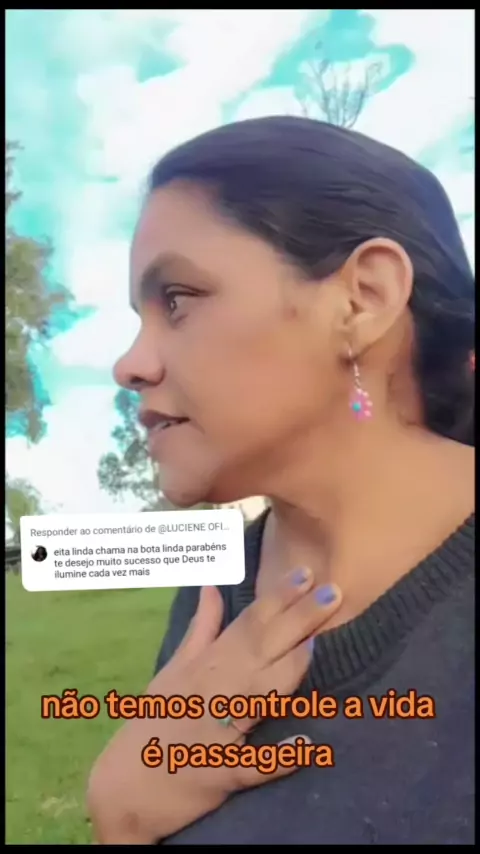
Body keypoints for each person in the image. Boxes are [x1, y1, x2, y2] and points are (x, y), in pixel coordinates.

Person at [87, 116, 475, 845]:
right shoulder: (216, 591)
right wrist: (123, 811)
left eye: (177, 299)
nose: (129, 365)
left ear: (362, 298)